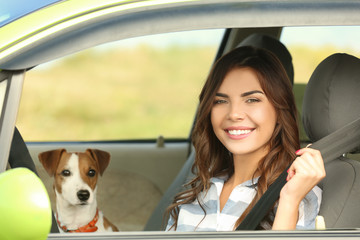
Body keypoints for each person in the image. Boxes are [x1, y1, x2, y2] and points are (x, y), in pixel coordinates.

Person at [166, 46, 326, 231]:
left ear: (279, 109)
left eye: (252, 100)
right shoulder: (195, 196)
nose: (234, 114)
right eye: (220, 101)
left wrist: (289, 201)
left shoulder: (300, 193)